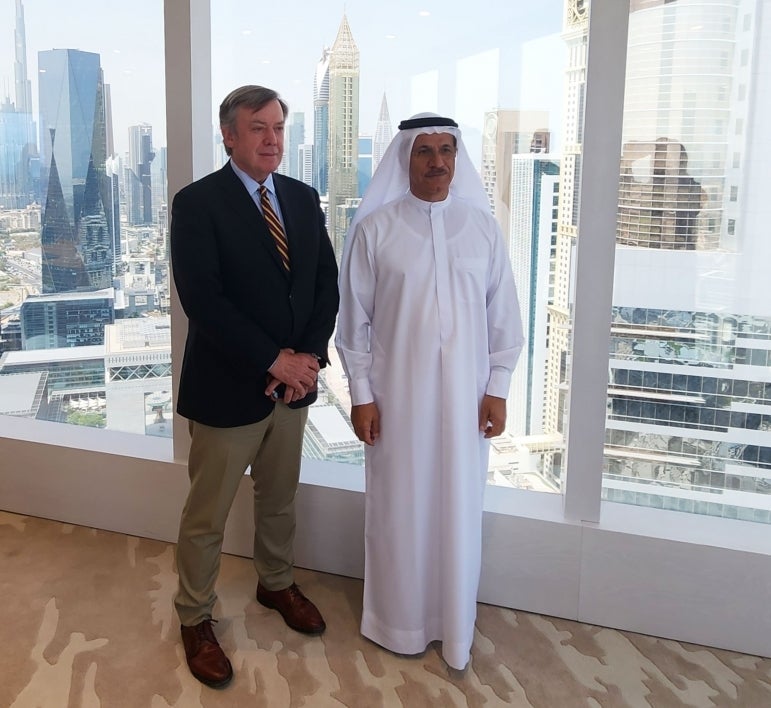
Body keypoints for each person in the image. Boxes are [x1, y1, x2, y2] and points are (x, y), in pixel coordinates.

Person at [335, 113, 524, 671]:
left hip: (467, 402)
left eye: (446, 150)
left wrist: (499, 387)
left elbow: (503, 316)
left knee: (459, 509)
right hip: (397, 402)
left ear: (457, 158)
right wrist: (362, 394)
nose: (437, 161)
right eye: (424, 152)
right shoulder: (375, 231)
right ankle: (398, 623)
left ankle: (453, 623)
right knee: (400, 507)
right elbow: (355, 324)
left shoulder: (483, 229)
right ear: (404, 159)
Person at [170, 85, 339, 688]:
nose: (272, 139)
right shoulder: (197, 203)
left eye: (279, 127)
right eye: (258, 127)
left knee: (279, 497)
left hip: (294, 388)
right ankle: (194, 617)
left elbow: (326, 286)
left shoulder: (301, 196)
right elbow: (204, 303)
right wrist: (275, 360)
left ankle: (276, 584)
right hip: (227, 388)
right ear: (230, 136)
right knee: (206, 515)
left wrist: (309, 360)